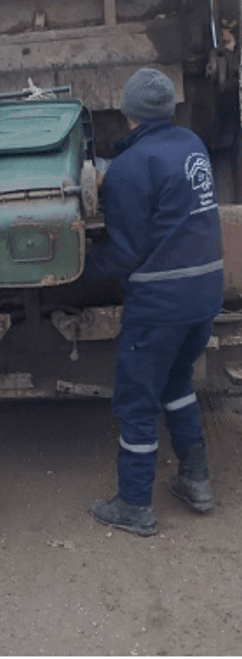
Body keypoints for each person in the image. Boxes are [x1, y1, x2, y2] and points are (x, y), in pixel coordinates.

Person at [84, 67, 224, 536]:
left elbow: (126, 251)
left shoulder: (129, 168)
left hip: (160, 302)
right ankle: (196, 480)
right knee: (177, 381)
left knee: (136, 400)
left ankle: (135, 503)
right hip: (205, 292)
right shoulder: (193, 146)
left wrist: (80, 267)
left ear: (128, 115)